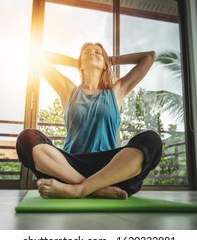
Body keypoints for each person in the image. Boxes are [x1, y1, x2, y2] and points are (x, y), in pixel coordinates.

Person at [16, 42, 162, 199]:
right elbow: (38, 55)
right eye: (87, 52)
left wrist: (110, 59)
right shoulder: (68, 89)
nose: (92, 54)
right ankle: (95, 189)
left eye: (98, 52)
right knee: (26, 138)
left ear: (105, 64)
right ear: (80, 63)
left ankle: (78, 189)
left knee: (151, 140)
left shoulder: (117, 90)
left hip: (111, 170)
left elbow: (149, 56)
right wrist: (78, 62)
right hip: (69, 168)